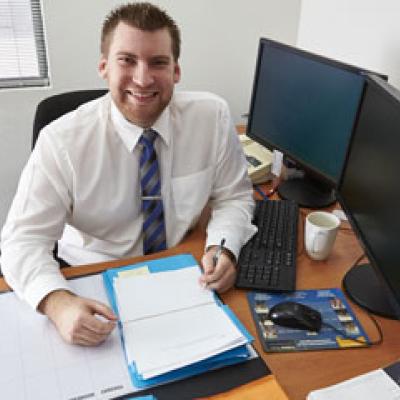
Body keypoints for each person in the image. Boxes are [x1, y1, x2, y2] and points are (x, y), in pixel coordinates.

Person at [0, 2, 256, 346]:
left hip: (184, 273)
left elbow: (234, 196)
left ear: (176, 70)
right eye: (127, 60)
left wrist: (223, 247)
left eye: (158, 62)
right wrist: (58, 303)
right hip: (94, 279)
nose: (143, 78)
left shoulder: (213, 117)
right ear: (104, 67)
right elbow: (22, 241)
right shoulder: (61, 142)